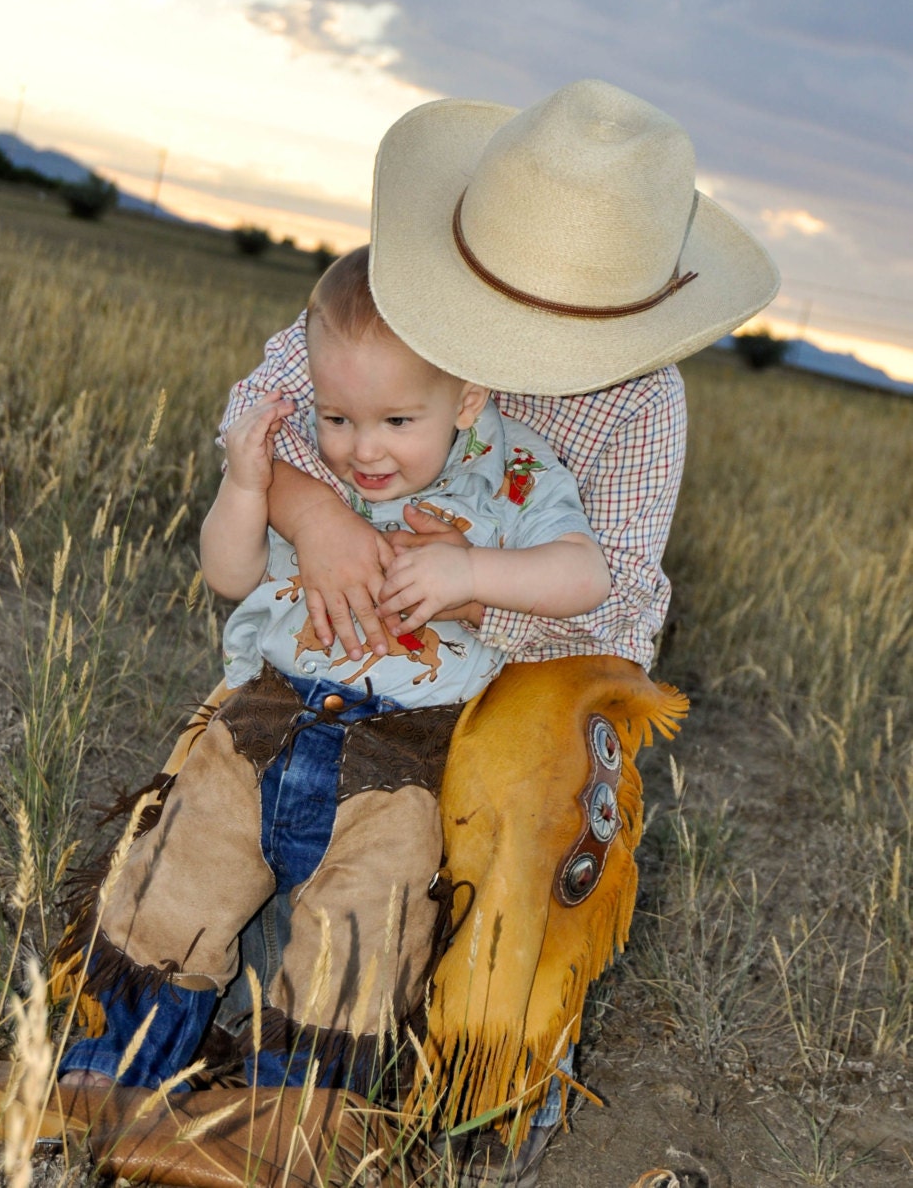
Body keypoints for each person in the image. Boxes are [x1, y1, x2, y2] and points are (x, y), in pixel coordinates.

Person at [210, 77, 779, 1179]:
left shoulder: (641, 400)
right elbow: (258, 414)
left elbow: (608, 603)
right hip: (368, 614)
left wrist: (471, 585)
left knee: (518, 799)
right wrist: (312, 507)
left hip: (544, 648)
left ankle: (490, 1082)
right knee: (263, 753)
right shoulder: (393, 295)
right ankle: (268, 1024)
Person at [59, 245, 610, 1094]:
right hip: (265, 720)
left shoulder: (517, 472)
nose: (363, 450)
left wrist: (471, 575)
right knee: (175, 878)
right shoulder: (311, 462)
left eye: (396, 422)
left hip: (407, 754)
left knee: (362, 932)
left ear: (466, 399)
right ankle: (112, 1067)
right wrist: (246, 489)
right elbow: (230, 576)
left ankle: (299, 1108)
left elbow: (586, 575)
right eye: (338, 417)